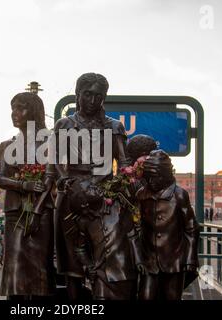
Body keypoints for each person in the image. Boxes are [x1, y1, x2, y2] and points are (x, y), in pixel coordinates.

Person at [51, 73, 130, 300]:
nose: (93, 101)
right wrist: (67, 181)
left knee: (106, 258)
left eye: (99, 96)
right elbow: (55, 159)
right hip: (71, 196)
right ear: (78, 95)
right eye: (88, 94)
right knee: (71, 264)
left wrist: (116, 187)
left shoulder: (115, 127)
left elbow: (123, 163)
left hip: (104, 198)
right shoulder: (65, 124)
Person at [0, 92, 55, 300]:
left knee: (40, 270)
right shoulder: (6, 146)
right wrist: (24, 185)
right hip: (14, 214)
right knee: (15, 270)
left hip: (42, 213)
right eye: (13, 108)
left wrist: (37, 213)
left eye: (21, 108)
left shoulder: (50, 142)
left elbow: (52, 179)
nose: (15, 113)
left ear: (35, 112)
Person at [131, 150, 200, 300]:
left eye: (155, 178)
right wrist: (138, 258)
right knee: (145, 296)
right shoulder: (142, 195)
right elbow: (135, 229)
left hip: (174, 261)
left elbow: (192, 228)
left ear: (165, 175)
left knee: (171, 297)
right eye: (148, 178)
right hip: (149, 260)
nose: (151, 182)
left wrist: (190, 259)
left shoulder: (179, 195)